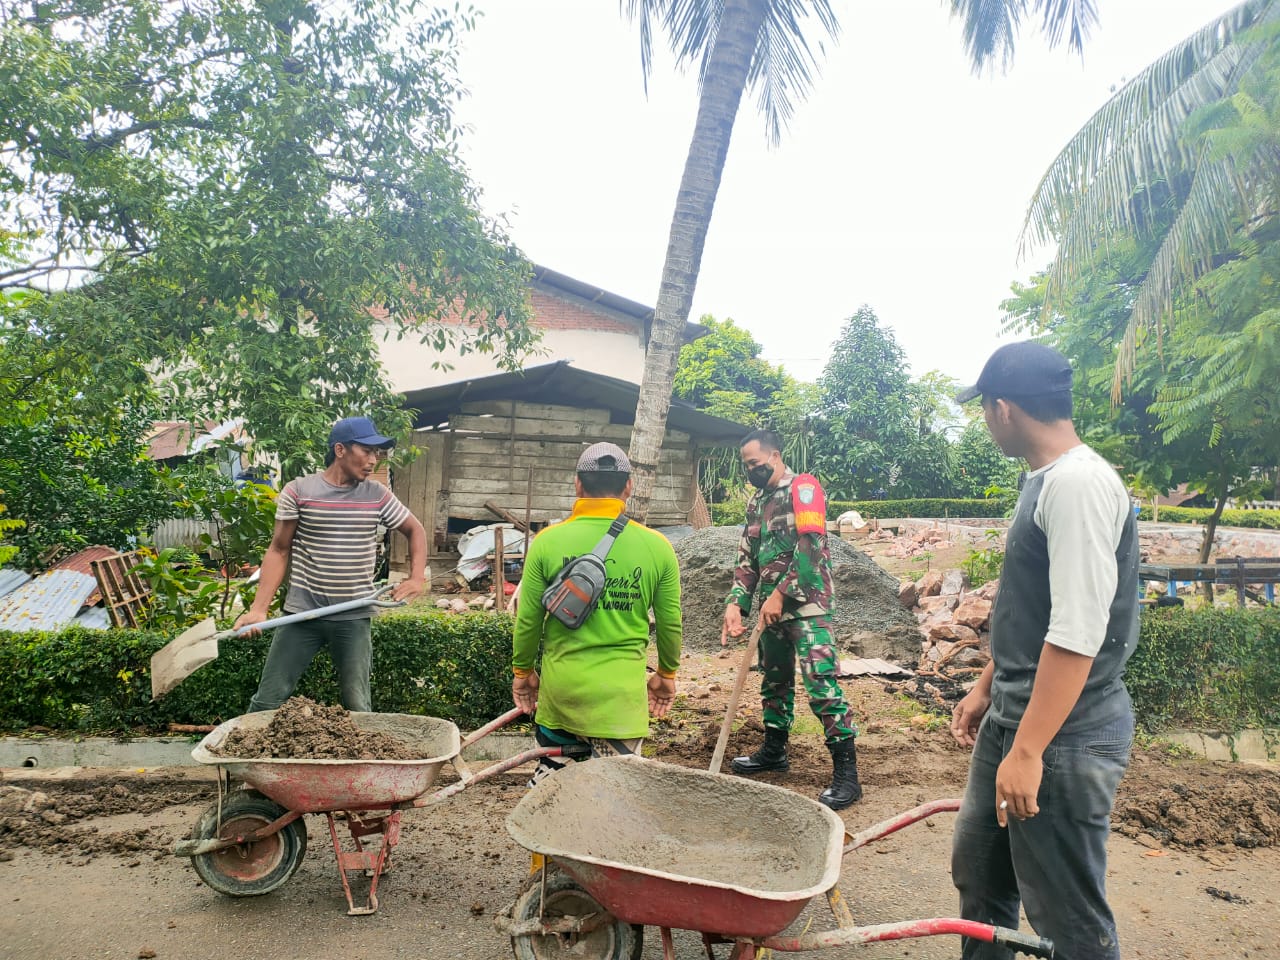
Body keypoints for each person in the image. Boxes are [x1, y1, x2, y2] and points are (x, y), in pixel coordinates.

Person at [949, 342, 1139, 960]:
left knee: (1068, 919)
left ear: (1003, 409)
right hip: (1017, 715)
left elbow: (1077, 634)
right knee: (981, 877)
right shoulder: (1046, 480)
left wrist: (1029, 749)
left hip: (1064, 734)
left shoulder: (1079, 485)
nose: (985, 420)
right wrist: (987, 686)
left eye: (983, 408)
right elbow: (1035, 613)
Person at [511, 441, 681, 783]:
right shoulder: (657, 547)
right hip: (619, 705)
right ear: (628, 487)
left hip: (562, 696)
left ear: (578, 484)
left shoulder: (547, 541)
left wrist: (523, 671)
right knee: (614, 807)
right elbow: (669, 623)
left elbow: (528, 619)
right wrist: (666, 674)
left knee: (553, 802)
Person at [238, 416, 427, 713]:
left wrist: (416, 578)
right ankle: (247, 759)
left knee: (357, 704)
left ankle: (361, 761)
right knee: (267, 699)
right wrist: (258, 608)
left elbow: (415, 530)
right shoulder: (299, 491)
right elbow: (279, 549)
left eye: (377, 454)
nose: (373, 460)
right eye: (366, 451)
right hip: (301, 614)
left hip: (353, 615)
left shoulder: (376, 495)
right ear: (340, 450)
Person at [722, 429, 860, 810]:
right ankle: (774, 751)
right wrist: (737, 603)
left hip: (807, 603)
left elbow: (811, 545)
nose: (750, 470)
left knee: (820, 683)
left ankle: (847, 775)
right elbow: (747, 556)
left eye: (755, 463)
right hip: (771, 609)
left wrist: (782, 593)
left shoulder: (804, 488)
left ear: (775, 455)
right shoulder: (756, 501)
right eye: (745, 466)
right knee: (775, 681)